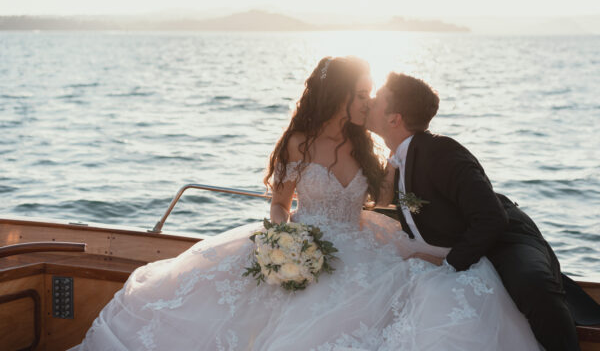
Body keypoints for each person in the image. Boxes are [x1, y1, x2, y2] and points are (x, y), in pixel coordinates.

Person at [72, 57, 540, 350]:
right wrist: (284, 238)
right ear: (340, 96)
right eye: (361, 95)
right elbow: (279, 203)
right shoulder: (298, 142)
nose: (367, 103)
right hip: (304, 239)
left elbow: (387, 199)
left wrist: (424, 193)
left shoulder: (367, 146)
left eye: (371, 96)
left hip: (361, 242)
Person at [367, 72, 600, 351]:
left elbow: (492, 218)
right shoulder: (398, 157)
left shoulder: (442, 152)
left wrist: (448, 263)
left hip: (507, 239)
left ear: (394, 119)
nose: (369, 102)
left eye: (376, 99)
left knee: (532, 285)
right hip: (466, 237)